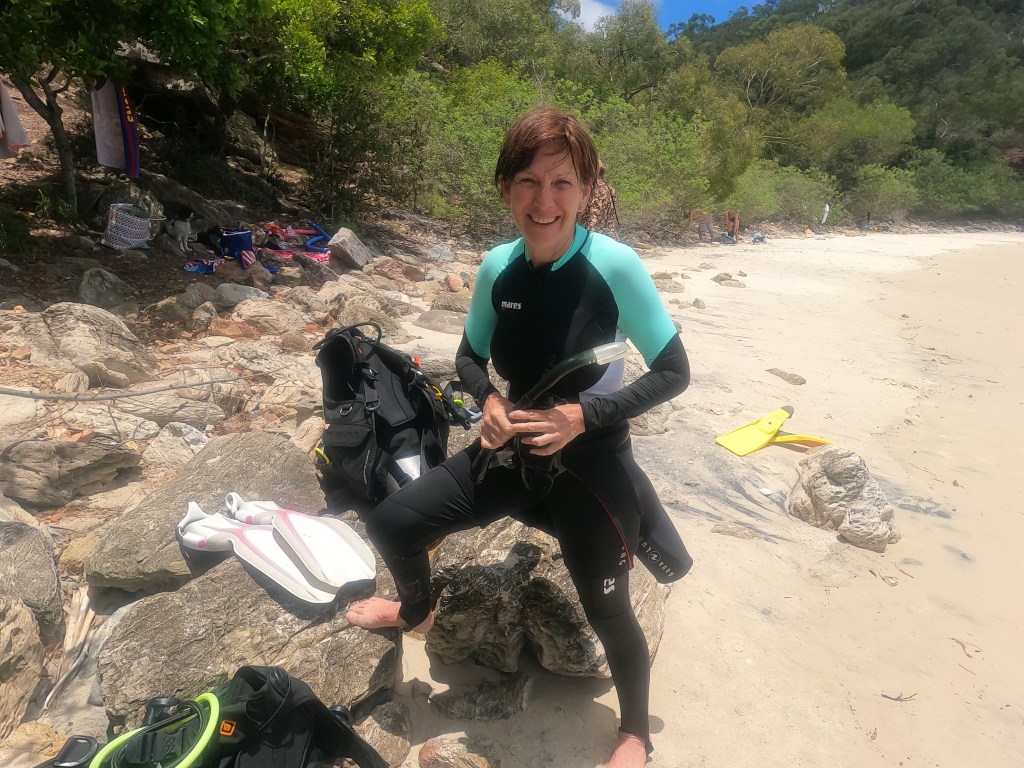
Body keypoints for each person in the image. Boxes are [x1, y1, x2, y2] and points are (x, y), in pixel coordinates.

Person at [346, 107, 691, 768]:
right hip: (509, 457)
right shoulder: (497, 269)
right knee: (391, 523)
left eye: (563, 183)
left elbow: (676, 372)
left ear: (586, 191)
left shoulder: (615, 267)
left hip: (588, 470)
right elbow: (470, 356)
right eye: (529, 181)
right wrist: (490, 400)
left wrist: (584, 418)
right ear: (505, 188)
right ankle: (415, 609)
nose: (545, 200)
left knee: (608, 608)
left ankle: (635, 733)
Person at [577, 159, 619, 237]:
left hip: (597, 236)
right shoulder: (611, 189)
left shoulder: (596, 188)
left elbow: (594, 214)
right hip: (610, 235)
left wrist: (587, 238)